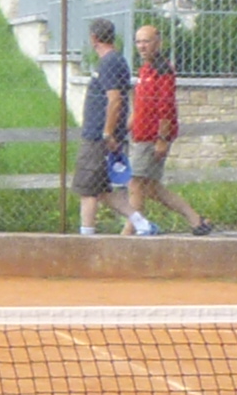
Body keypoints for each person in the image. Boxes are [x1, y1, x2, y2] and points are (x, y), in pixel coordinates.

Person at [128, 20, 197, 236]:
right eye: (138, 42)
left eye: (146, 41)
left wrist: (162, 139)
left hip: (151, 138)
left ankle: (131, 231)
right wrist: (124, 129)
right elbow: (139, 106)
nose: (142, 46)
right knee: (150, 187)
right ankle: (196, 220)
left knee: (135, 183)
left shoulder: (163, 70)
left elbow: (166, 107)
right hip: (140, 135)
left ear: (158, 43)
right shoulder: (145, 69)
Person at [72, 18, 132, 234]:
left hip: (98, 138)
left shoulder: (109, 62)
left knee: (87, 189)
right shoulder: (114, 61)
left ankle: (86, 238)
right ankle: (143, 224)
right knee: (102, 191)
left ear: (94, 38)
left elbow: (115, 100)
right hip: (100, 136)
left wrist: (107, 133)